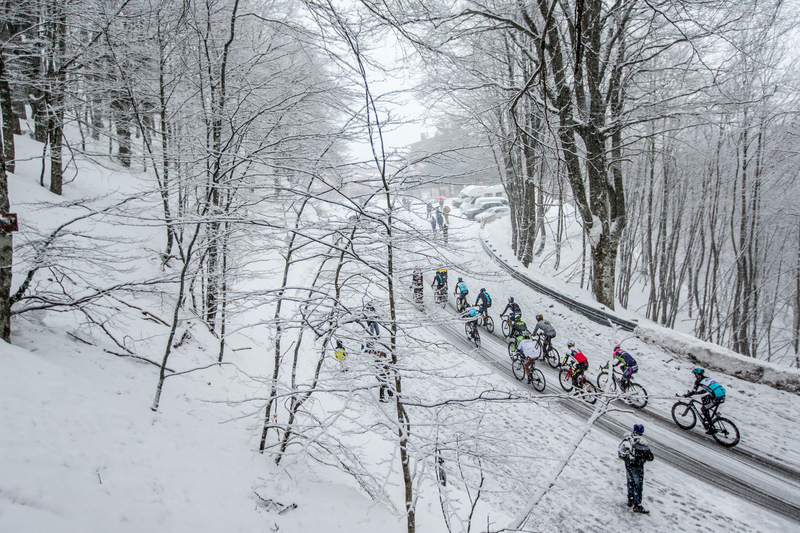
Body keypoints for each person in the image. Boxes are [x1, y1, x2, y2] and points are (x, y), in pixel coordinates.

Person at [618, 424, 654, 514]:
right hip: (637, 466)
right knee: (638, 486)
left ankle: (630, 500)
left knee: (630, 482)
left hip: (628, 464)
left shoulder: (629, 438)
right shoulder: (641, 442)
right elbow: (650, 457)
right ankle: (637, 505)